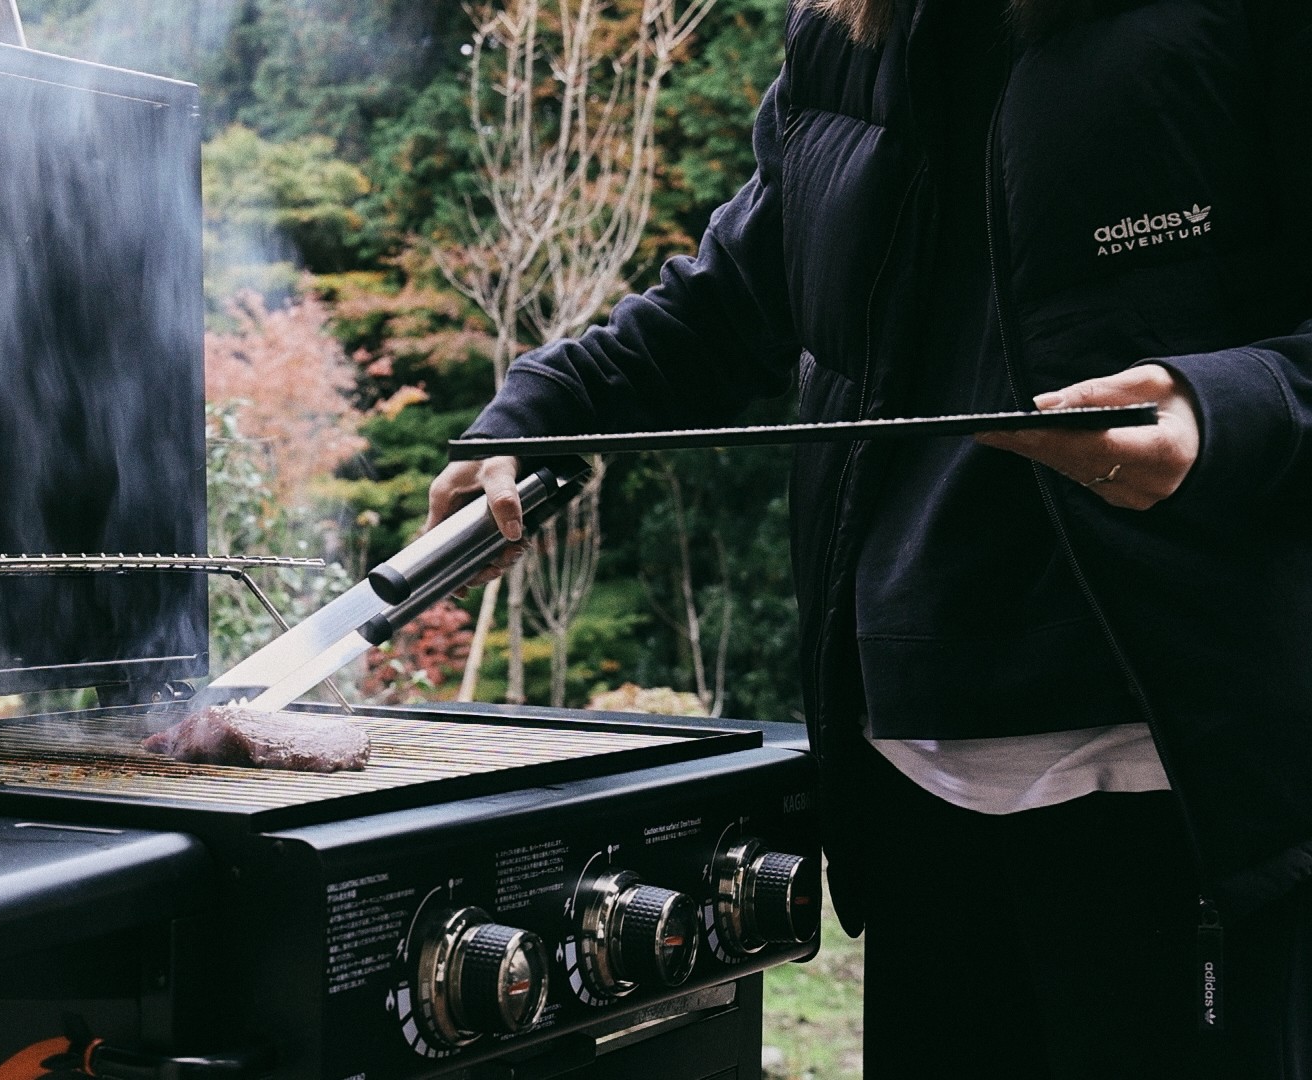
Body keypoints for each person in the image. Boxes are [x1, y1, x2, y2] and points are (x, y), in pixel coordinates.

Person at [426, 0, 1312, 1075]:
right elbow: (732, 299)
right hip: (911, 787)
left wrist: (1223, 405)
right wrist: (536, 412)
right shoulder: (849, 36)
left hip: (1176, 790)